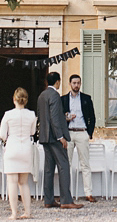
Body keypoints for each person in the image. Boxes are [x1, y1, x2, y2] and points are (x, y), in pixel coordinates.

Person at [37, 71, 83, 210]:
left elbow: (41, 116)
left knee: (48, 169)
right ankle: (66, 200)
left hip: (45, 137)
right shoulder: (55, 95)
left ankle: (49, 199)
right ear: (57, 82)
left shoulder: (41, 95)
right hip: (55, 137)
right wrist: (60, 137)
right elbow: (55, 117)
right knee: (64, 166)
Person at [0, 87, 37, 220]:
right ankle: (27, 211)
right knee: (24, 182)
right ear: (26, 100)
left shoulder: (8, 114)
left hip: (12, 147)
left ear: (14, 99)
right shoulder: (32, 114)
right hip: (25, 148)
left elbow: (2, 134)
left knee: (12, 182)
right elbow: (32, 132)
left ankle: (14, 213)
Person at [61, 74, 97, 202]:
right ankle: (66, 194)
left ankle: (88, 193)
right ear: (70, 84)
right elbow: (60, 117)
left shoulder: (86, 98)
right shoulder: (63, 99)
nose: (76, 85)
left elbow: (92, 117)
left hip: (82, 132)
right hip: (69, 133)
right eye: (74, 83)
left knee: (85, 164)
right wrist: (67, 118)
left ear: (80, 84)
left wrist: (89, 133)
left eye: (78, 83)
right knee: (67, 164)